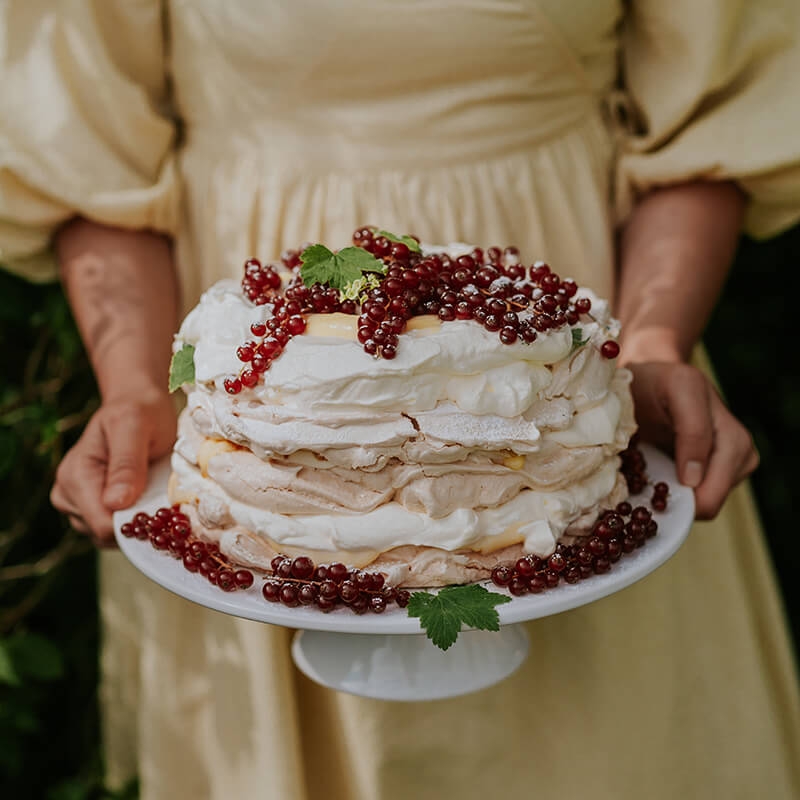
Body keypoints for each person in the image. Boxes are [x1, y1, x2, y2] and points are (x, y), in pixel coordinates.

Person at [2, 2, 799, 798]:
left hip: (558, 367)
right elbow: (84, 146)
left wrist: (655, 345)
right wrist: (139, 385)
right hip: (266, 360)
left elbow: (712, 119)